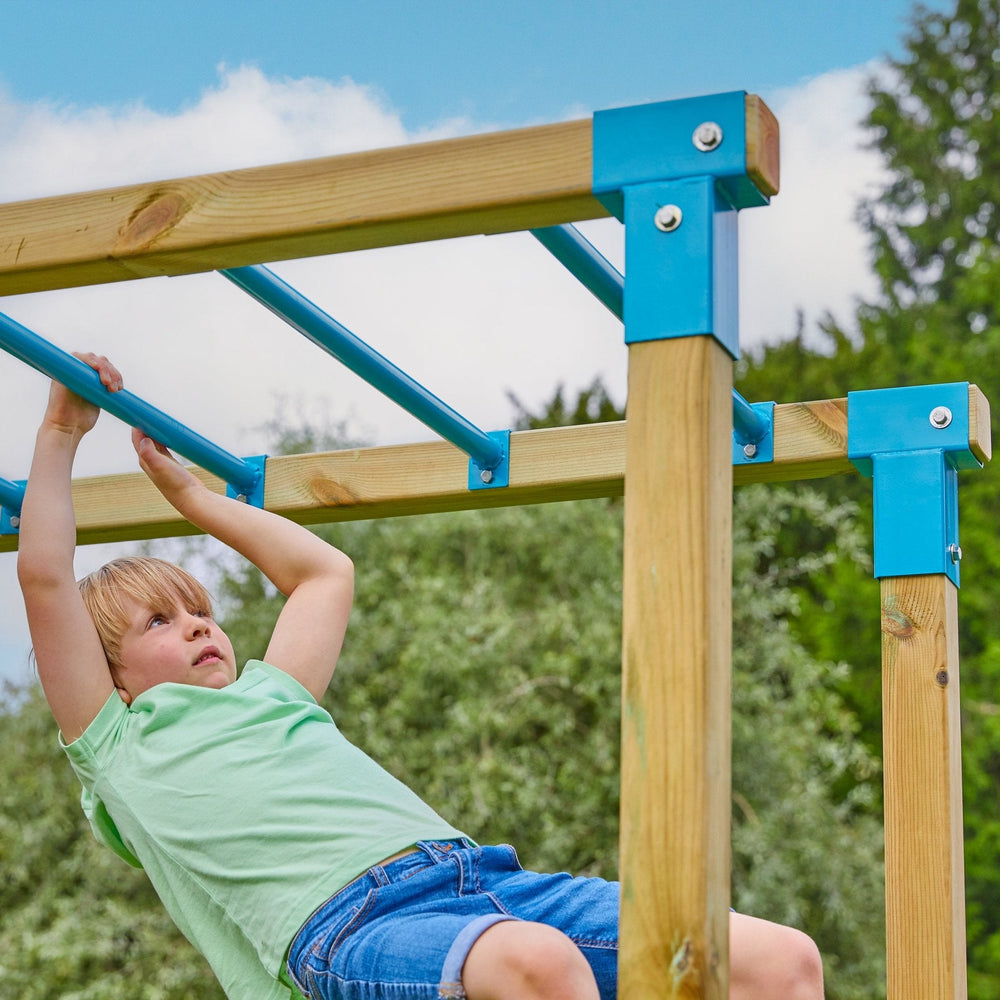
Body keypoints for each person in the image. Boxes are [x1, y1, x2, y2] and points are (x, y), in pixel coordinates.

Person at [17, 353, 825, 1000]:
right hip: (347, 928)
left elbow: (325, 574)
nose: (198, 624)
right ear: (114, 678)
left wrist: (194, 498)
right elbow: (46, 578)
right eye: (159, 622)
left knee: (780, 962)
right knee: (538, 970)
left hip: (481, 877)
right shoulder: (115, 742)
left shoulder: (271, 692)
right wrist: (60, 431)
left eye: (200, 610)